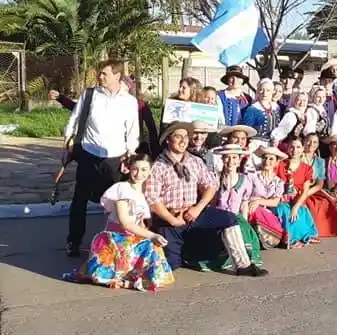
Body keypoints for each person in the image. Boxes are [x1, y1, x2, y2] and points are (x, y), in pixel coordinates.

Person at [145, 122, 267, 276]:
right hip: (170, 219)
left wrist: (198, 208)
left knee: (229, 218)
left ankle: (243, 265)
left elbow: (211, 185)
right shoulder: (158, 166)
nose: (183, 140)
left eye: (185, 137)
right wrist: (172, 220)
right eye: (178, 136)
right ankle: (183, 253)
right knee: (171, 264)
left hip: (192, 212)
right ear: (168, 140)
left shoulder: (195, 161)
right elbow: (152, 199)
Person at [63, 153, 174, 292]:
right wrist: (151, 235)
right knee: (149, 244)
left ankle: (133, 278)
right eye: (135, 169)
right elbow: (125, 223)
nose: (139, 174)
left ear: (150, 170)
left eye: (144, 169)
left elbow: (139, 222)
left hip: (133, 237)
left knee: (154, 250)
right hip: (117, 239)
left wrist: (149, 236)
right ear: (129, 169)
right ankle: (125, 277)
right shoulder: (122, 189)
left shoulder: (145, 190)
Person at [63, 59, 140, 257]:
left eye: (105, 73)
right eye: (100, 73)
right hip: (89, 153)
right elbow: (75, 118)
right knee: (80, 199)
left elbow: (132, 131)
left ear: (117, 75)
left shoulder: (129, 101)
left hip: (114, 157)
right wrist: (69, 139)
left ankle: (115, 242)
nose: (100, 77)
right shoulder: (90, 95)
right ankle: (74, 240)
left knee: (117, 203)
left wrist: (130, 154)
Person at [203, 144, 265, 271]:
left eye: (234, 158)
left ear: (239, 159)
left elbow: (244, 203)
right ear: (222, 159)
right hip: (218, 217)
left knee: (242, 229)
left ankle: (245, 263)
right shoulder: (215, 178)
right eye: (227, 157)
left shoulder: (245, 179)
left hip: (236, 216)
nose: (231, 161)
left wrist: (245, 222)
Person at [272, 136, 328, 245]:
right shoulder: (280, 165)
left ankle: (299, 235)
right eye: (292, 147)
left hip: (298, 198)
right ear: (287, 148)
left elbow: (305, 190)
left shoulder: (307, 168)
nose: (295, 150)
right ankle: (288, 237)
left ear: (302, 148)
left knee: (299, 211)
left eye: (298, 147)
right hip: (281, 198)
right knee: (283, 209)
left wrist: (296, 206)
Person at [245, 146, 288, 248]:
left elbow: (275, 202)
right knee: (254, 211)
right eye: (265, 158)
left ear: (277, 163)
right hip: (250, 208)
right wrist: (254, 203)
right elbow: (246, 195)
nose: (267, 161)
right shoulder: (252, 176)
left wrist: (259, 201)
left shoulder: (278, 182)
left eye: (271, 159)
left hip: (268, 212)